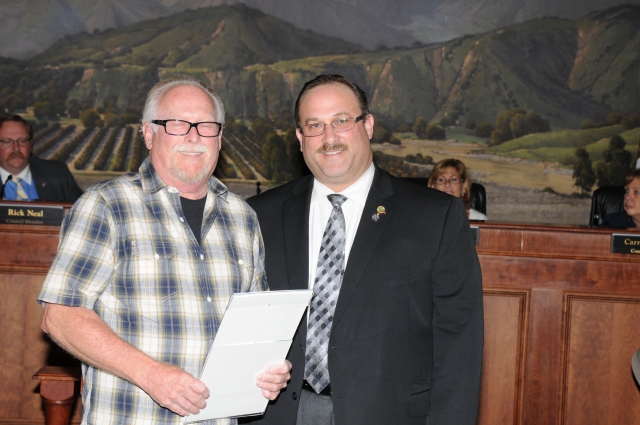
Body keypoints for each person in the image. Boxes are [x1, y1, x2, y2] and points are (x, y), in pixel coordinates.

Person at [37, 74, 291, 425]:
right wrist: (150, 374)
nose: (193, 136)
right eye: (176, 124)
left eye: (206, 125)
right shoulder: (106, 205)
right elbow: (61, 317)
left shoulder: (242, 217)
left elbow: (254, 329)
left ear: (219, 137)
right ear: (148, 133)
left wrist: (269, 368)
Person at [243, 74, 484, 425]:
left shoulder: (435, 217)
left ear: (367, 125)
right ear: (299, 138)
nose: (329, 138)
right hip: (279, 413)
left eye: (342, 121)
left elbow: (458, 346)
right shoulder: (260, 214)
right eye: (315, 125)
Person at [0, 114, 83, 202]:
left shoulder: (58, 174)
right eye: (7, 142)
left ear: (30, 145)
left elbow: (85, 212)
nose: (16, 148)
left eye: (22, 141)